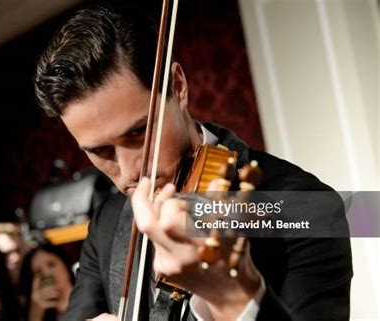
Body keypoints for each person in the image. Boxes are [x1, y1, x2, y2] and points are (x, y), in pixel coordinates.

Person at [34, 4, 353, 321]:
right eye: (100, 151)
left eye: (140, 131)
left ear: (178, 86)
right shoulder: (107, 220)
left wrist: (232, 296)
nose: (131, 172)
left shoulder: (307, 208)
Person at [19, 243, 74, 321]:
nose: (46, 274)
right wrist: (36, 311)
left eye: (51, 265)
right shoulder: (37, 311)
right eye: (38, 271)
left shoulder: (92, 293)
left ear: (65, 265)